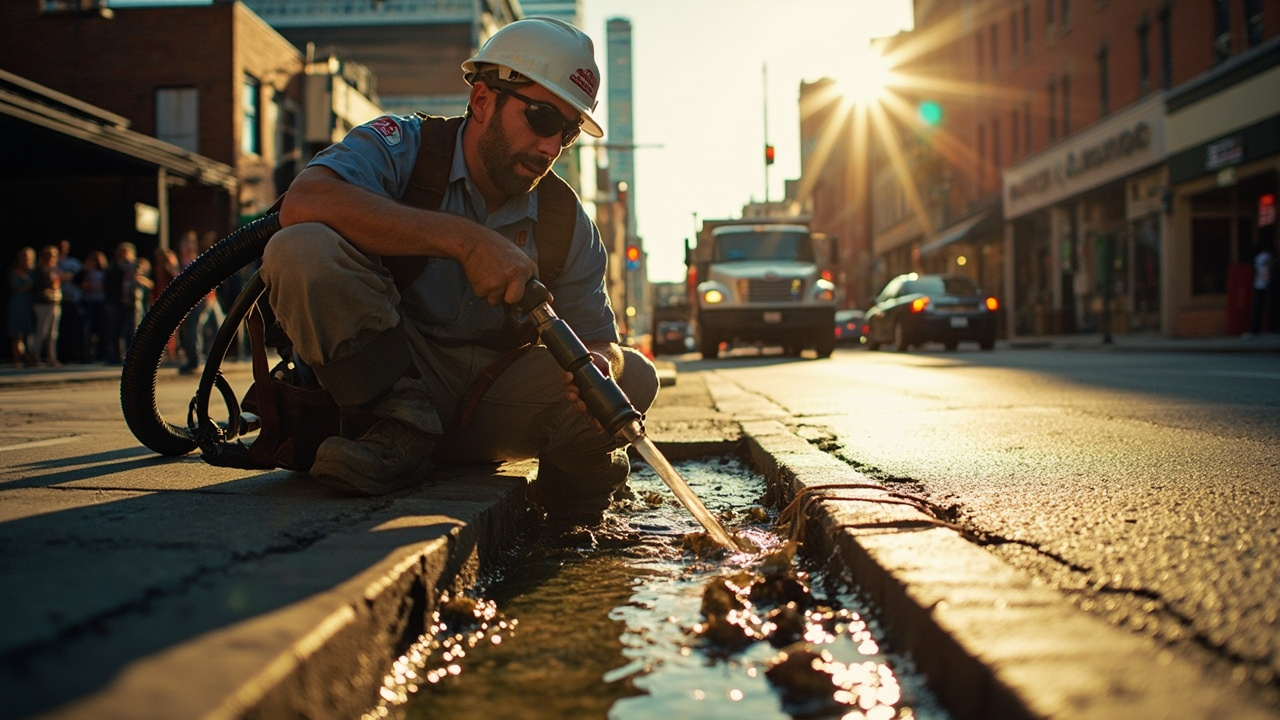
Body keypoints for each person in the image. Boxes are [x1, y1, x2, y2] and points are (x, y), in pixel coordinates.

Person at [262, 17, 658, 528]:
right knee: (300, 246)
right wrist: (465, 242)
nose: (550, 147)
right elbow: (305, 200)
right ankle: (396, 434)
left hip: (491, 406)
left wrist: (602, 365)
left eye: (568, 132)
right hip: (386, 380)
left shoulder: (566, 220)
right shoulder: (402, 146)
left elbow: (600, 341)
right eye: (540, 118)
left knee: (637, 376)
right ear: (482, 100)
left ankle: (574, 482)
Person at [175, 231, 224, 374]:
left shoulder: (196, 259)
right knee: (193, 330)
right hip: (194, 300)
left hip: (205, 299)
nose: (189, 246)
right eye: (186, 243)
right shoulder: (181, 262)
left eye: (191, 243)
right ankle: (194, 360)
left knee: (209, 329)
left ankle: (205, 360)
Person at [30, 244, 63, 366]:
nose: (52, 258)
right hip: (42, 304)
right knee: (41, 331)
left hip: (55, 302)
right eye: (49, 256)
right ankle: (35, 357)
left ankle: (51, 358)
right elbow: (37, 288)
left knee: (53, 333)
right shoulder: (38, 271)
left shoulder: (55, 270)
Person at [7, 247, 37, 368]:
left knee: (28, 333)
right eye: (24, 257)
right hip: (17, 303)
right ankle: (17, 359)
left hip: (29, 303)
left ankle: (29, 358)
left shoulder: (33, 272)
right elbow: (15, 286)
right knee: (17, 332)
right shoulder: (13, 271)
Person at [79, 250, 110, 362]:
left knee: (102, 329)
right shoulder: (85, 272)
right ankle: (86, 355)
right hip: (88, 303)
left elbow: (108, 287)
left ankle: (101, 354)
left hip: (101, 303)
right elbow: (78, 283)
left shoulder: (105, 273)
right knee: (87, 330)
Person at [1249, 238, 1275, 336]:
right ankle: (1272, 328)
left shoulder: (1258, 257)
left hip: (1259, 284)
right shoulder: (1268, 257)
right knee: (1270, 307)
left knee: (1258, 308)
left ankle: (1256, 329)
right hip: (1267, 284)